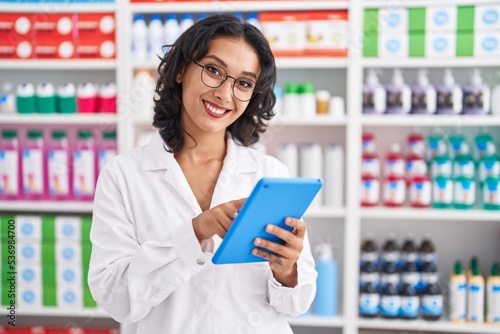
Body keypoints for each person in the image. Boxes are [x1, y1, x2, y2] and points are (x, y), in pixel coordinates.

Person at [88, 14, 317, 334]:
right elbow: (115, 298)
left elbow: (297, 303)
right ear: (181, 69)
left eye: (244, 83)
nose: (225, 94)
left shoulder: (269, 173)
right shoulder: (124, 176)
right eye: (213, 70)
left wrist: (287, 270)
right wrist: (195, 232)